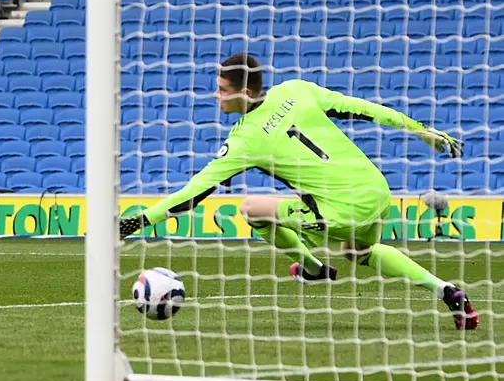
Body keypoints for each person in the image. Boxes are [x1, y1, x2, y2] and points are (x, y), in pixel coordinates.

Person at [119, 53, 479, 331]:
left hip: (340, 208)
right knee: (360, 251)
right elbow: (364, 109)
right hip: (376, 189)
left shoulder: (244, 139)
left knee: (251, 208)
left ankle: (313, 267)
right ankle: (447, 291)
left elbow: (193, 193)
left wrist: (136, 221)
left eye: (222, 90)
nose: (216, 96)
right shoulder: (296, 89)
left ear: (245, 93)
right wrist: (423, 131)